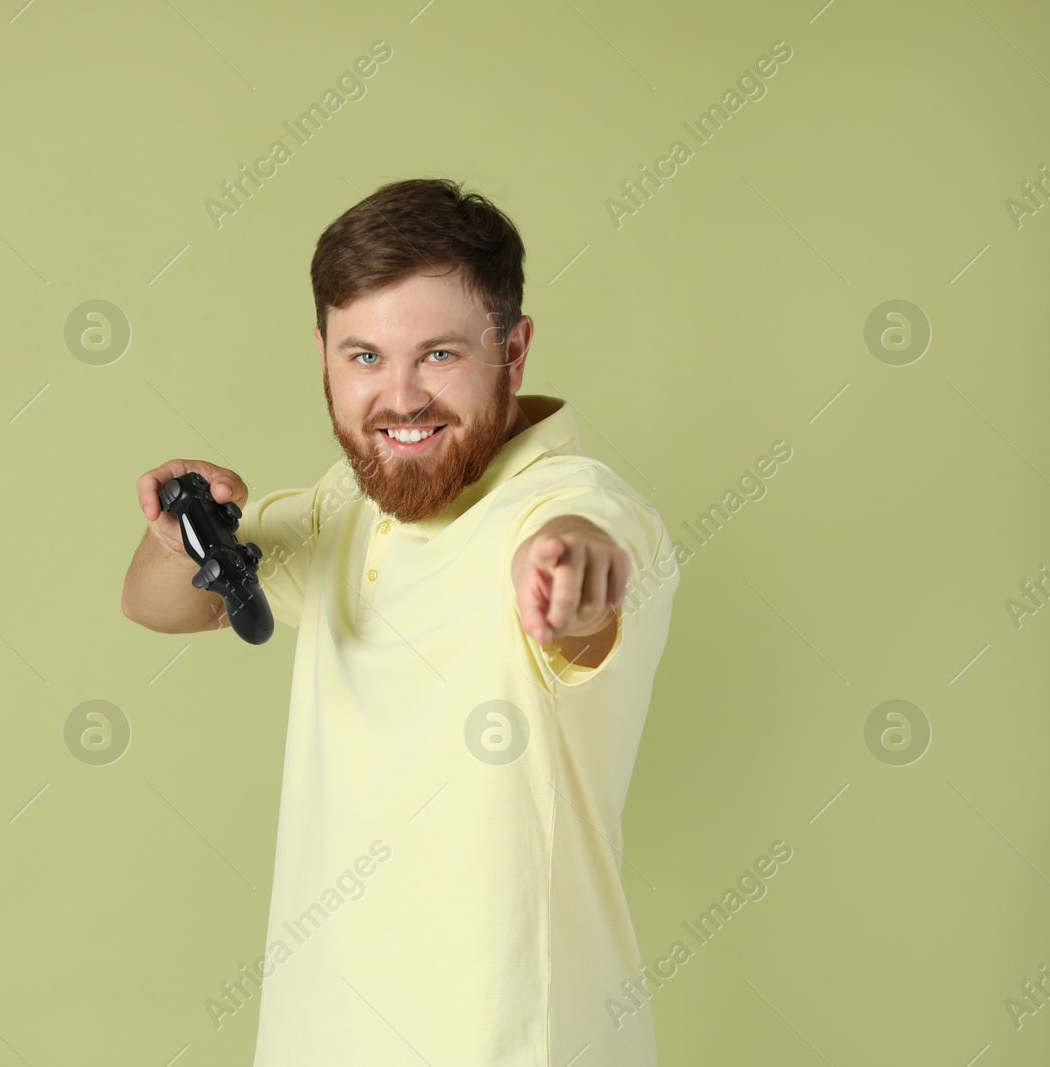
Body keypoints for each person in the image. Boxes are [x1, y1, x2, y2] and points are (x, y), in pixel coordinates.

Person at [122, 177, 679, 1066]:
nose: (403, 398)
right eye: (366, 358)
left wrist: (573, 570)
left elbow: (591, 570)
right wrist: (175, 535)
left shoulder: (577, 506)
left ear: (515, 349)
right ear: (324, 356)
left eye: (442, 355)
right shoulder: (350, 503)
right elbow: (157, 604)